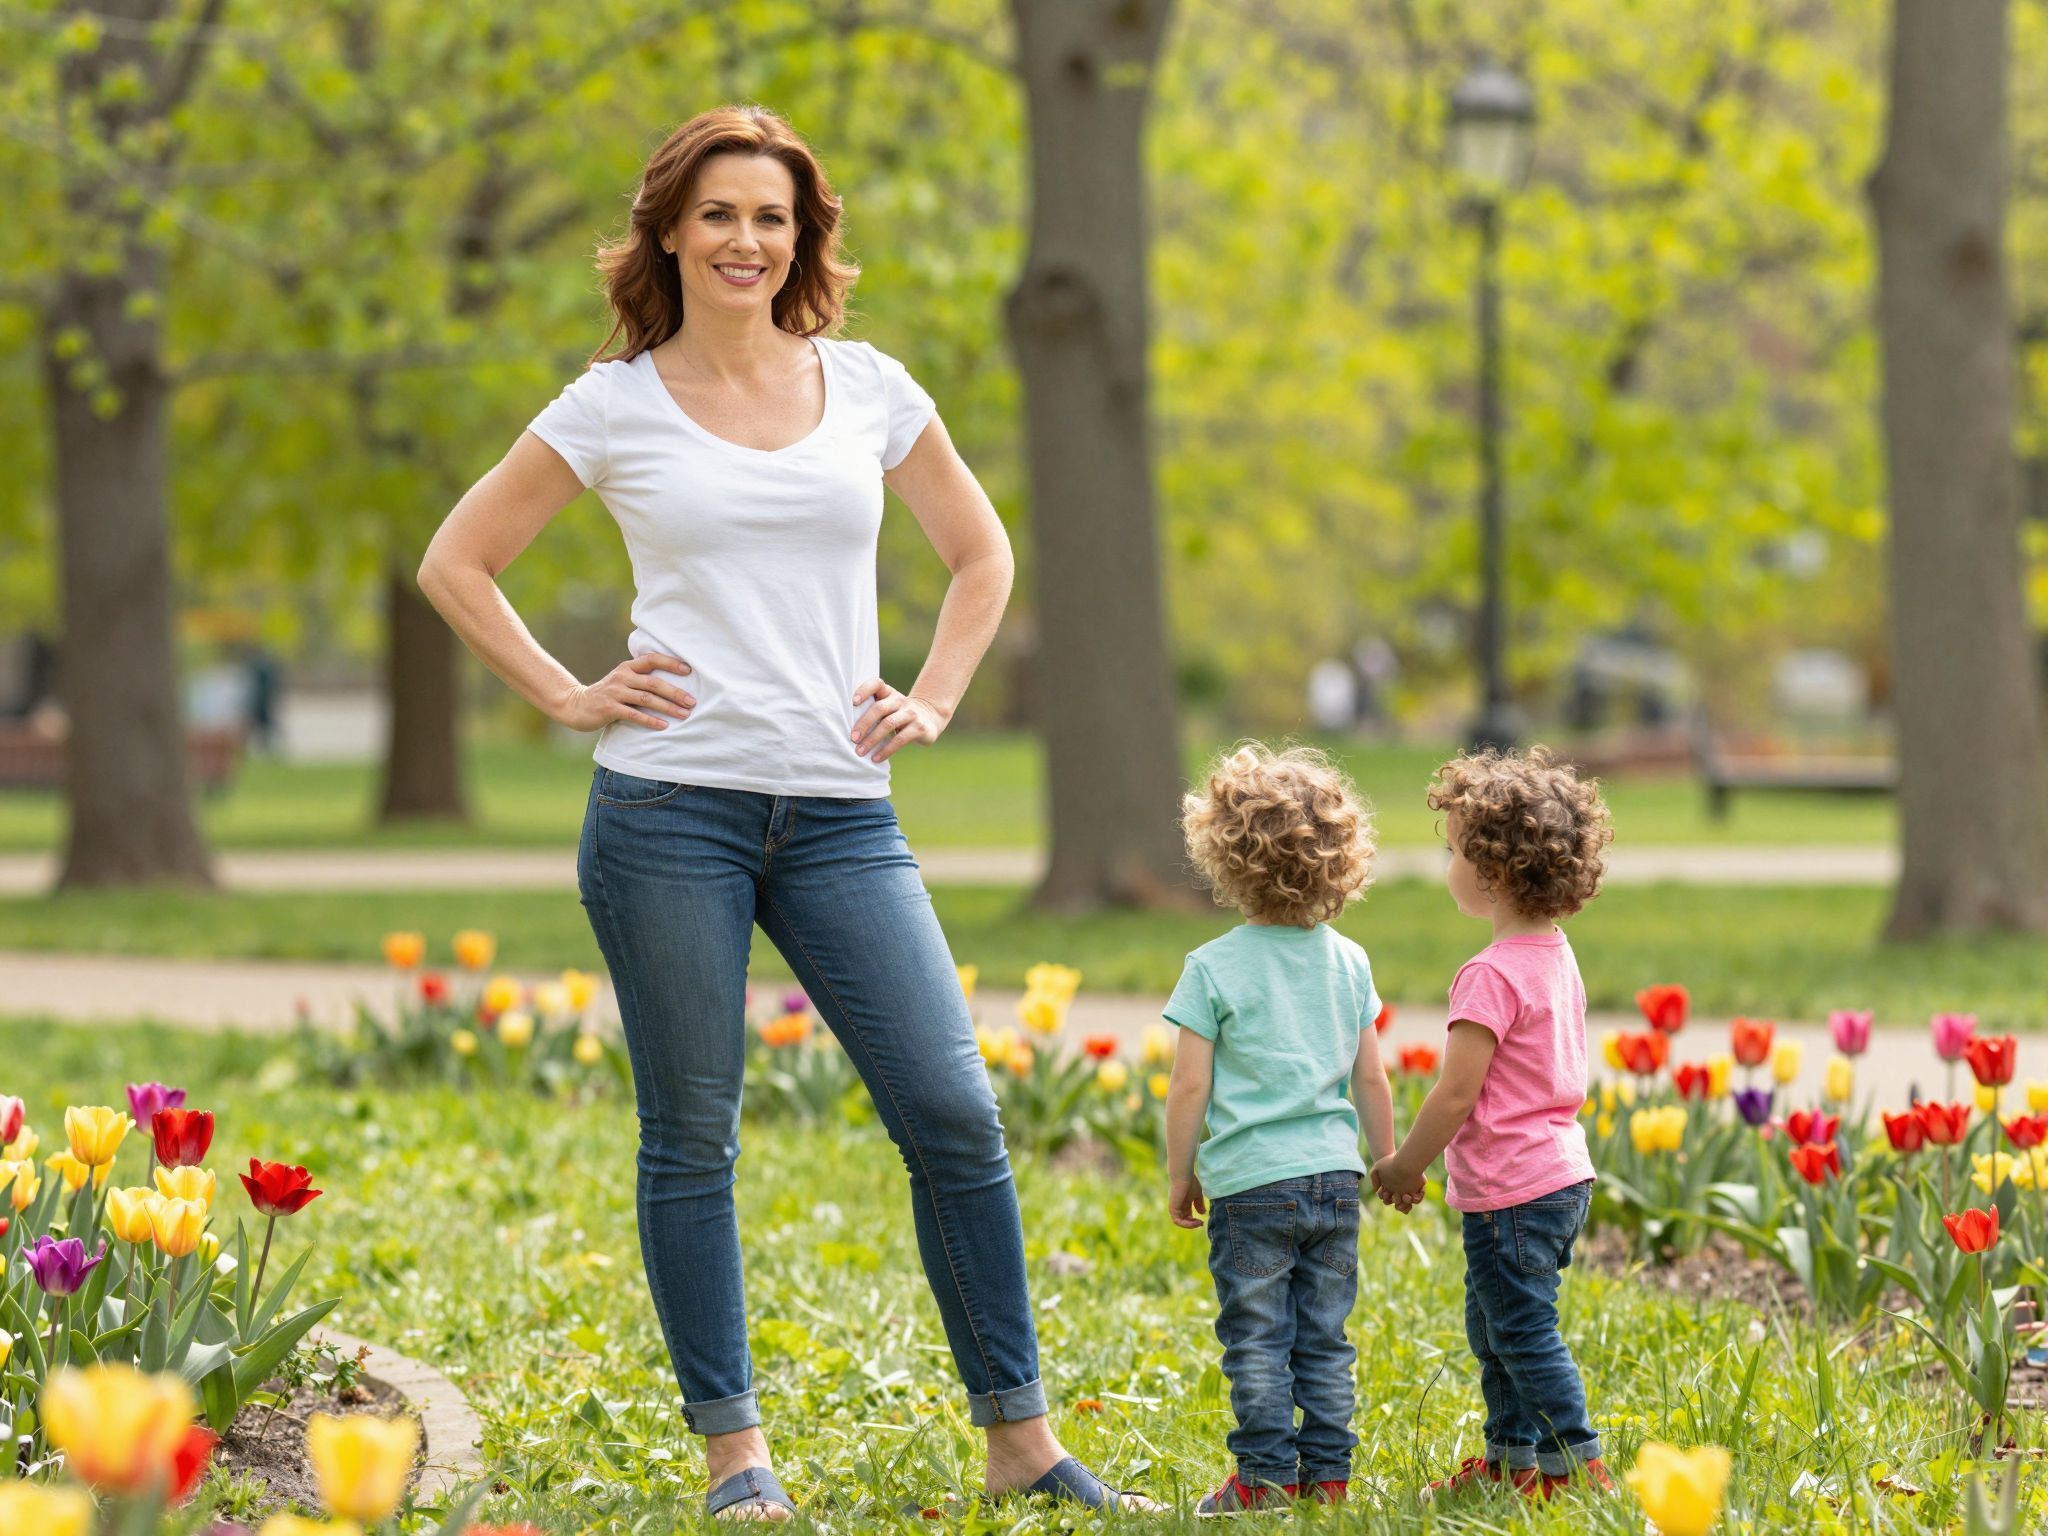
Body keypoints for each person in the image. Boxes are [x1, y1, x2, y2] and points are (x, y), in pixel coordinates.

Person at [417, 106, 1155, 1521]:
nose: (746, 240)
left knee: (952, 1109)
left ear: (801, 237)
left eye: (773, 216)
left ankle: (1024, 1444)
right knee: (693, 1135)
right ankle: (736, 1460)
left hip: (841, 817)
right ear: (669, 235)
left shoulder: (867, 386)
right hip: (667, 817)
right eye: (718, 215)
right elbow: (461, 560)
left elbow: (979, 550)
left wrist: (931, 695)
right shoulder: (611, 403)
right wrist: (571, 695)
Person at [1370, 747, 1616, 1500]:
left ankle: (1573, 1465)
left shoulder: (1489, 975)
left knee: (1520, 1332)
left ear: (1494, 873)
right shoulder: (1554, 954)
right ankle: (1513, 1459)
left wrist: (1404, 1164)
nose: (1447, 865)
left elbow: (1454, 1095)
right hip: (1557, 1178)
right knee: (1496, 1328)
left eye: (1453, 852)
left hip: (1511, 1190)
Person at [1162, 744, 1394, 1512]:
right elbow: (1371, 1076)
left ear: (1223, 858)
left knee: (1258, 1340)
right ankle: (1328, 1479)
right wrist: (1387, 1155)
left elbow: (1189, 1083)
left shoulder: (1211, 966)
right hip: (1335, 1180)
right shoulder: (1349, 961)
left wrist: (1179, 1172)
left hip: (1251, 1186)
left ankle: (1263, 1480)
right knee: (1325, 1337)